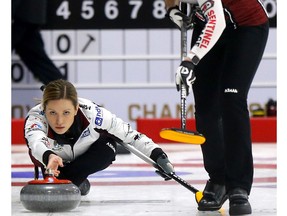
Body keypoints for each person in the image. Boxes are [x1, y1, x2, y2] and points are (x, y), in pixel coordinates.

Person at [164, 0, 269, 215]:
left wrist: (190, 60)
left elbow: (216, 21)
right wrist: (172, 9)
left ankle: (239, 186)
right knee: (205, 105)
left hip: (246, 26)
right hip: (209, 23)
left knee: (232, 99)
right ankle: (218, 179)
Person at [24, 79, 175, 195]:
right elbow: (35, 142)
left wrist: (159, 155)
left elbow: (131, 136)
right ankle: (75, 181)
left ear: (76, 108)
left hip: (83, 157)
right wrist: (49, 156)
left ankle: (71, 180)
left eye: (66, 112)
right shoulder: (36, 117)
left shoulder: (96, 115)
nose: (59, 121)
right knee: (36, 150)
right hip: (48, 158)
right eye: (52, 113)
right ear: (44, 109)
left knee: (107, 146)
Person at [12, 0, 65, 85]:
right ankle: (65, 93)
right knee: (39, 61)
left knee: (39, 61)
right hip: (27, 12)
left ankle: (64, 93)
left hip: (20, 13)